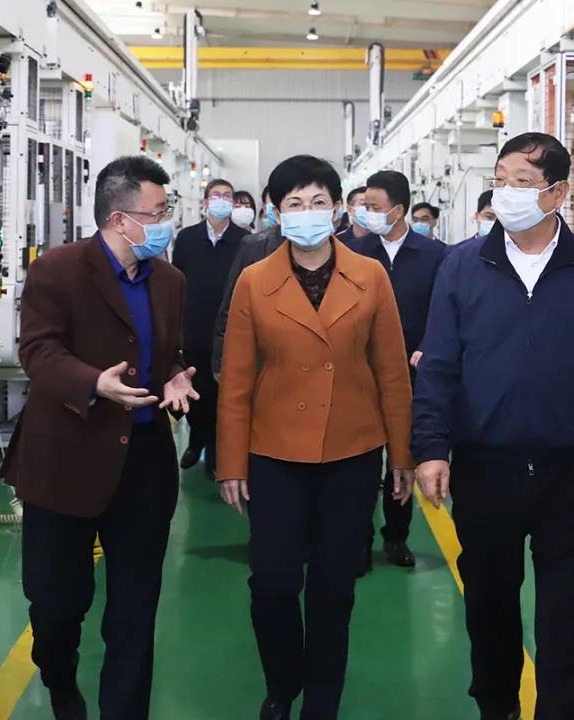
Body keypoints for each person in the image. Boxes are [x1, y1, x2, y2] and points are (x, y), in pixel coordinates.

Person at [413, 132, 574, 720]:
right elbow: (439, 364)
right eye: (500, 181)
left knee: (565, 610)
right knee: (488, 601)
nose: (506, 193)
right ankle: (496, 705)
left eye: (522, 182)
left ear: (558, 193)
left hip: (567, 467)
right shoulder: (462, 265)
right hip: (485, 465)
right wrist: (431, 446)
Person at [217, 155, 415, 720]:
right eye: (295, 203)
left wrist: (401, 454)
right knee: (273, 582)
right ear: (277, 214)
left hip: (351, 451)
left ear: (337, 210)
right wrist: (231, 463)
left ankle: (322, 701)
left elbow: (392, 371)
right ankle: (283, 682)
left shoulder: (371, 276)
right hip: (274, 451)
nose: (308, 212)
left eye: (319, 202)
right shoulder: (255, 281)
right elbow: (236, 378)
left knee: (334, 587)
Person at [3, 155, 199, 720]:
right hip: (67, 459)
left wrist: (174, 375)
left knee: (135, 610)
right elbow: (38, 350)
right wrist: (94, 384)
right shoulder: (57, 271)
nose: (165, 223)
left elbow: (167, 352)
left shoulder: (170, 281)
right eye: (157, 213)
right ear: (120, 219)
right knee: (57, 602)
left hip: (143, 465)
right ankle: (60, 679)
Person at [348, 170, 446, 573]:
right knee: (360, 461)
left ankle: (396, 536)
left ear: (398, 210)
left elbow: (445, 312)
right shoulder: (351, 252)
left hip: (413, 374)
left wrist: (429, 346)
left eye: (374, 207)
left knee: (403, 457)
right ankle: (357, 540)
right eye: (364, 206)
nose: (366, 213)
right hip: (359, 374)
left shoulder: (436, 256)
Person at [172, 178, 249, 475]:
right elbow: (177, 280)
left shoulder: (244, 240)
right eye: (216, 195)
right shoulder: (187, 238)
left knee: (223, 394)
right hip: (193, 328)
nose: (222, 200)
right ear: (205, 202)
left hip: (229, 330)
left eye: (227, 196)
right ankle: (197, 440)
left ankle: (218, 453)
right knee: (197, 391)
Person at [212, 185, 283, 378]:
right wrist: (221, 362)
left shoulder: (341, 254)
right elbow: (231, 306)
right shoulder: (254, 245)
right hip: (261, 358)